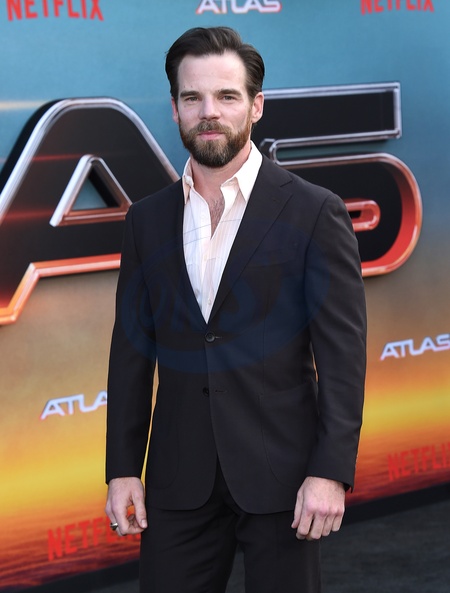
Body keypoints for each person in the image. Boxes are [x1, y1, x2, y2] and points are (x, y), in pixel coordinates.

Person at [105, 26, 366, 593]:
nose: (209, 112)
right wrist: (122, 468)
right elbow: (130, 354)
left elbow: (343, 359)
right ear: (174, 108)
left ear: (256, 105)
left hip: (283, 476)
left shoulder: (313, 212)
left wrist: (330, 472)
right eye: (192, 97)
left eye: (226, 96)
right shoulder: (146, 220)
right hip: (178, 479)